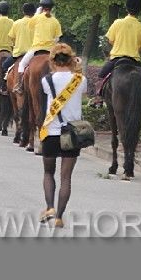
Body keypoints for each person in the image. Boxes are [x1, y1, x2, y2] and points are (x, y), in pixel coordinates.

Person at [39, 43, 87, 228]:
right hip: (72, 133)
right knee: (66, 178)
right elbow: (82, 89)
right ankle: (59, 217)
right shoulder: (80, 80)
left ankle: (49, 207)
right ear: (71, 59)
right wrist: (78, 67)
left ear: (52, 60)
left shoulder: (46, 80)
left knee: (48, 172)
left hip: (51, 132)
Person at [92, 0, 141, 105]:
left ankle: (98, 98)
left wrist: (119, 45)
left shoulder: (117, 22)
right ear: (139, 10)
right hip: (134, 61)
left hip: (116, 59)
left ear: (126, 8)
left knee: (101, 76)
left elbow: (110, 40)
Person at [14, 0, 62, 94]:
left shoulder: (37, 18)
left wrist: (37, 13)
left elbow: (30, 26)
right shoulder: (55, 21)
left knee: (22, 65)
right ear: (52, 7)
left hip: (36, 49)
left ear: (41, 7)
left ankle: (20, 86)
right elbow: (57, 38)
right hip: (50, 50)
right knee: (62, 66)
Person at [0, 2, 36, 94]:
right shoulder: (37, 23)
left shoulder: (17, 23)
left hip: (19, 53)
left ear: (23, 12)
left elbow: (11, 37)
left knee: (4, 66)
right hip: (34, 54)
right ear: (34, 12)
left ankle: (4, 88)